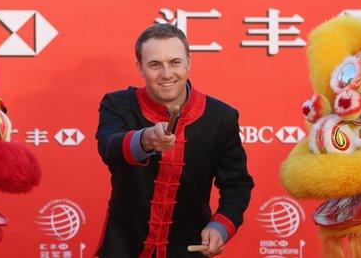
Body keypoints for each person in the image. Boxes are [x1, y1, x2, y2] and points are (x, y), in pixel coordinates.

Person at [95, 23, 254, 258]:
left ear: (189, 62)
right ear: (140, 67)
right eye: (155, 65)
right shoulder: (117, 105)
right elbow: (109, 149)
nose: (167, 74)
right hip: (123, 247)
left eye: (175, 62)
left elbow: (237, 184)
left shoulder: (221, 117)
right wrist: (145, 140)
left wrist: (220, 226)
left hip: (188, 249)